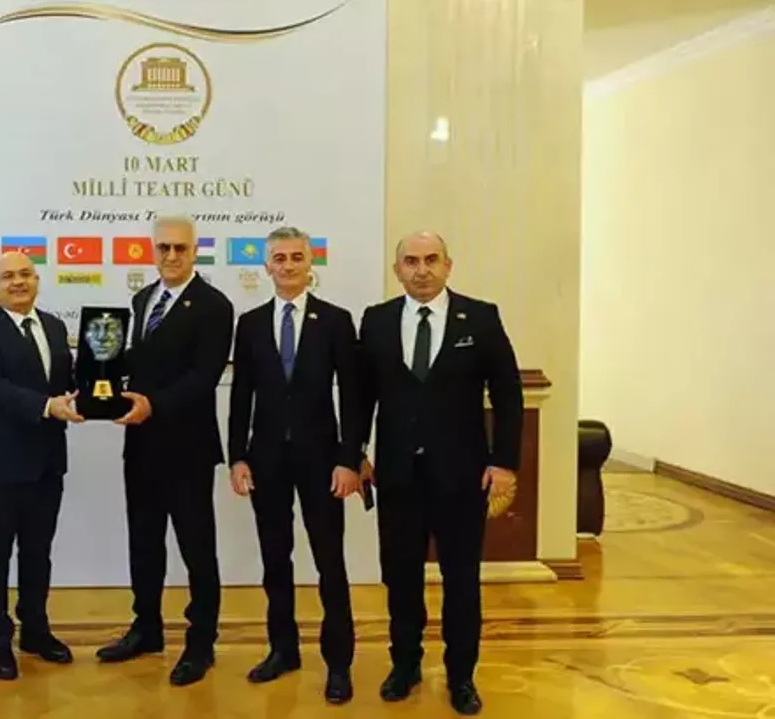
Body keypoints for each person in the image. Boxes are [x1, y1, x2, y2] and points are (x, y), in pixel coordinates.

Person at [356, 231, 523, 716]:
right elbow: (362, 395)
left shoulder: (481, 317)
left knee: (462, 580)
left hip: (462, 476)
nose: (422, 269)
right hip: (398, 476)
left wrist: (504, 462)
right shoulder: (377, 320)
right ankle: (405, 665)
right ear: (397, 270)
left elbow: (508, 394)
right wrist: (356, 452)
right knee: (401, 577)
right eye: (411, 261)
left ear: (449, 266)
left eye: (432, 260)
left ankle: (461, 676)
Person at [96, 215, 234, 686]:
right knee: (144, 540)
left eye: (180, 248)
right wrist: (97, 372)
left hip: (187, 448)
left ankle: (201, 641)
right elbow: (138, 361)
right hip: (141, 445)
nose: (171, 256)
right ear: (152, 251)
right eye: (163, 248)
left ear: (195, 251)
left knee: (197, 546)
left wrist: (153, 404)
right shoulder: (143, 300)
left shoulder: (214, 306)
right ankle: (147, 628)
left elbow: (204, 377)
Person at [227, 227, 362, 704]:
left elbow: (353, 396)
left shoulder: (336, 321)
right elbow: (241, 395)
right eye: (279, 258)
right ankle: (283, 649)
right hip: (266, 460)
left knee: (330, 561)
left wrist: (349, 459)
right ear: (267, 266)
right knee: (274, 558)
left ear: (310, 264)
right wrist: (237, 456)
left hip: (322, 461)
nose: (287, 265)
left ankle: (339, 662)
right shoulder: (250, 323)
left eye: (296, 257)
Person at [0, 249, 81, 680]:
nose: (18, 282)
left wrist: (99, 390)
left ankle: (36, 631)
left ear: (36, 280)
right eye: (8, 276)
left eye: (25, 274)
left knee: (37, 553)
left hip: (47, 464)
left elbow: (66, 384)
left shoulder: (54, 326)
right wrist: (48, 406)